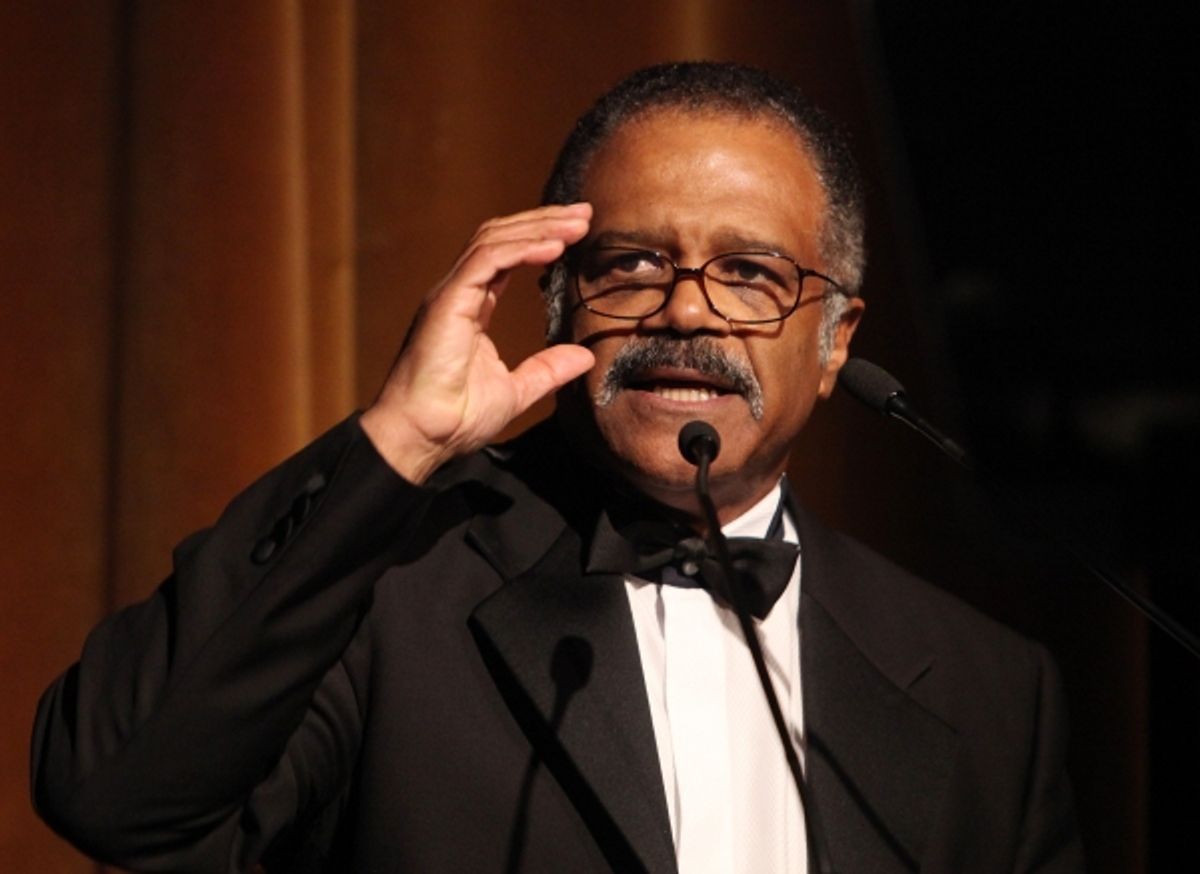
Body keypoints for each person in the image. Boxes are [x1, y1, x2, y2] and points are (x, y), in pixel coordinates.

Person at [32, 62, 1084, 873]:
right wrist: (397, 442)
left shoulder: (989, 686)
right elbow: (113, 796)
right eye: (631, 265)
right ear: (558, 300)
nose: (685, 310)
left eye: (749, 273)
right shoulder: (388, 589)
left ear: (836, 339)